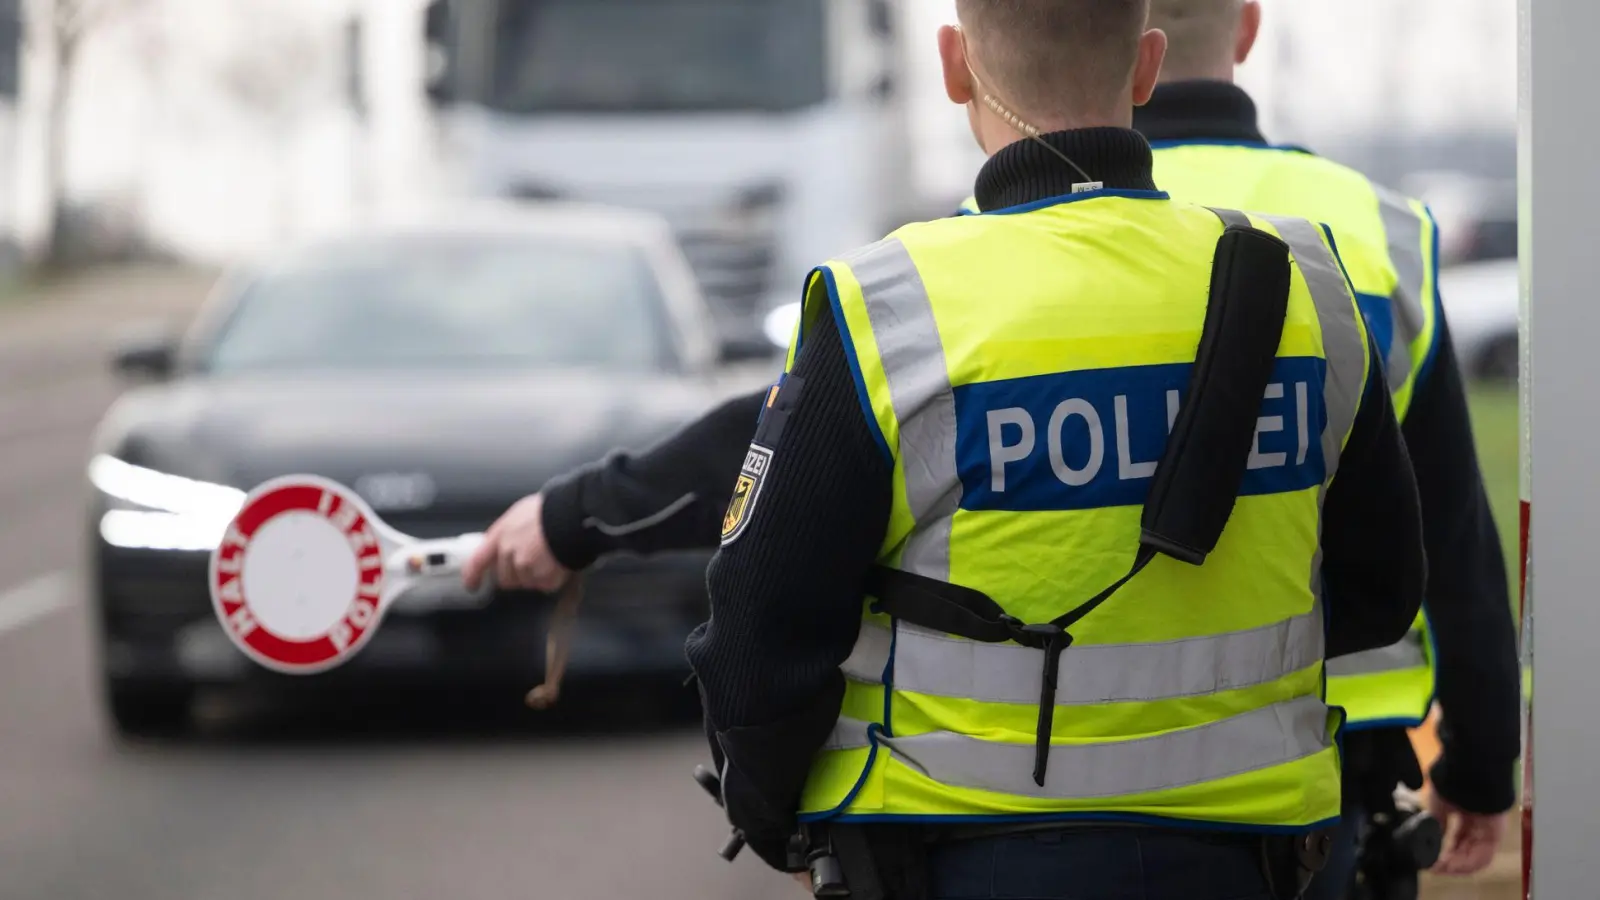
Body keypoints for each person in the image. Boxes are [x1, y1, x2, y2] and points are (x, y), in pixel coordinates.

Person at [466, 2, 1516, 896]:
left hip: (956, 846)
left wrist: (773, 809)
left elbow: (759, 618)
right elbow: (1395, 580)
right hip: (1261, 844)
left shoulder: (899, 301)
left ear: (952, 62)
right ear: (1144, 65)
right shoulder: (1316, 282)